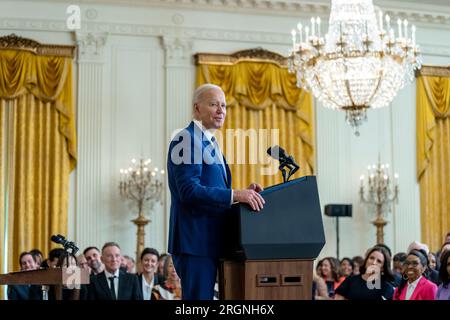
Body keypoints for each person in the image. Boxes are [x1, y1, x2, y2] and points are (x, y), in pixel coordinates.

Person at [167, 83, 265, 300]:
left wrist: (241, 194)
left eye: (223, 105)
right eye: (213, 104)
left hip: (212, 241)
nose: (221, 110)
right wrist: (235, 195)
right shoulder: (186, 139)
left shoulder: (210, 143)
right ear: (197, 108)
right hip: (196, 243)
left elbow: (213, 189)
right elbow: (189, 191)